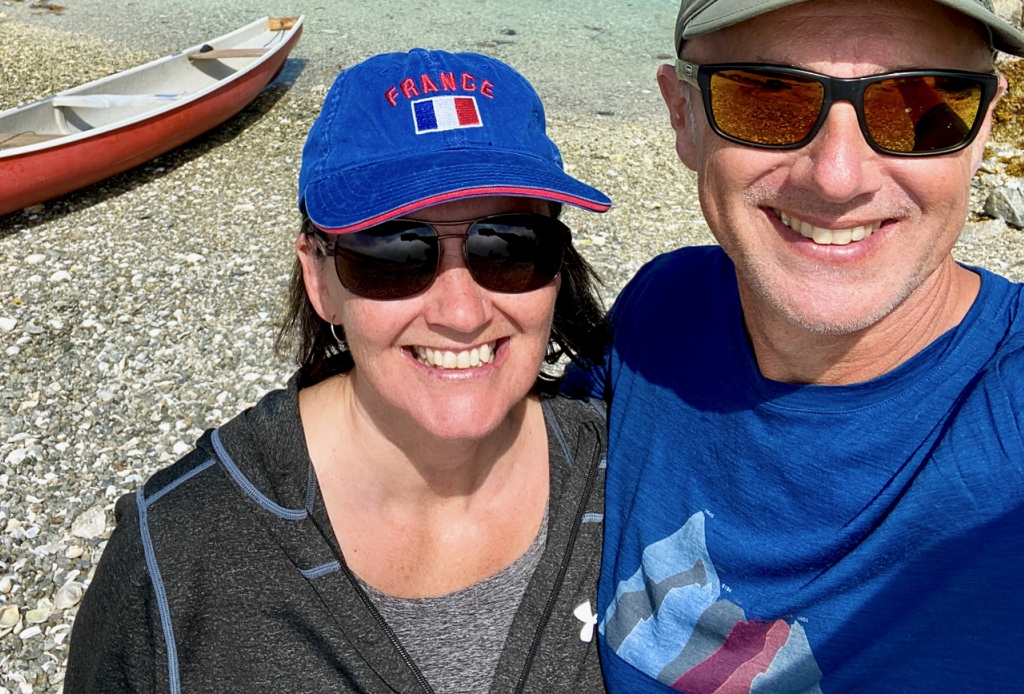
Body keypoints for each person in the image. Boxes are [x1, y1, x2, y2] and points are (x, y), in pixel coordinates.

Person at [585, 0, 1024, 692]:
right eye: (769, 97)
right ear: (683, 118)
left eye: (921, 105)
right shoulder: (662, 315)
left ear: (983, 127)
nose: (838, 177)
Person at [66, 50, 615, 694]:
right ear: (318, 277)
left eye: (510, 246)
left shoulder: (631, 484)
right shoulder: (177, 556)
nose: (462, 313)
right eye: (393, 252)